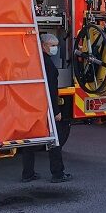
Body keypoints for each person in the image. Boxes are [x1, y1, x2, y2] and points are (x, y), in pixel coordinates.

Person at [21, 34, 71, 184]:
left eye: (56, 45)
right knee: (54, 139)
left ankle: (27, 173)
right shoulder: (48, 64)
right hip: (45, 107)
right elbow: (51, 90)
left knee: (29, 139)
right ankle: (58, 173)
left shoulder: (32, 59)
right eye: (52, 45)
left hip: (31, 105)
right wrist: (56, 111)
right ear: (43, 45)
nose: (55, 48)